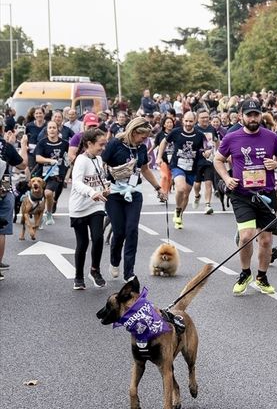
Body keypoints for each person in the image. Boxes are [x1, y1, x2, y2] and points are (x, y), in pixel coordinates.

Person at [215, 99, 277, 296]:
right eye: (249, 114)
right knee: (247, 236)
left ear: (260, 115)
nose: (253, 118)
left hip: (267, 194)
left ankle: (262, 277)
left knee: (265, 240)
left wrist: (276, 164)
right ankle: (245, 272)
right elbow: (218, 159)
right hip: (242, 195)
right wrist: (226, 177)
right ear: (241, 116)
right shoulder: (232, 137)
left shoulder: (271, 137)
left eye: (256, 114)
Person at [102, 118, 164, 282]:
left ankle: (129, 272)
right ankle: (115, 261)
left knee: (132, 230)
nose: (144, 140)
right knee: (119, 231)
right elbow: (101, 163)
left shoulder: (141, 148)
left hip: (134, 193)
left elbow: (145, 169)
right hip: (114, 193)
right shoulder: (115, 144)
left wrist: (158, 188)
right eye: (142, 137)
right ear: (133, 131)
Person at [68, 127, 110, 290]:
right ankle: (78, 276)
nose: (103, 148)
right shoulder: (81, 160)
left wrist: (106, 188)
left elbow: (101, 178)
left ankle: (95, 270)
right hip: (79, 207)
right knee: (83, 243)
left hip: (96, 205)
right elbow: (77, 183)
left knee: (98, 238)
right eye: (101, 144)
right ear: (89, 144)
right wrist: (92, 192)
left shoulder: (98, 159)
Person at [157, 111, 206, 230]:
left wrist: (207, 152)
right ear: (183, 120)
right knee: (180, 188)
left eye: (191, 121)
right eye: (186, 121)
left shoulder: (199, 135)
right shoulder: (176, 132)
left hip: (192, 168)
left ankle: (179, 215)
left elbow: (206, 147)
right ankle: (178, 209)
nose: (188, 124)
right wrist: (159, 156)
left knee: (186, 193)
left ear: (195, 121)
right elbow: (164, 142)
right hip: (177, 165)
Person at [0, 128, 28, 280]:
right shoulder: (6, 146)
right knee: (1, 230)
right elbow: (23, 165)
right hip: (3, 188)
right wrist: (23, 145)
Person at [34, 121, 71, 226]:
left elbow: (67, 159)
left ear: (57, 130)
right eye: (50, 128)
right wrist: (50, 160)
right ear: (47, 130)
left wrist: (68, 171)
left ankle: (49, 213)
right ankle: (39, 216)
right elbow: (38, 158)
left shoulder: (64, 144)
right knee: (39, 197)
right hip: (42, 174)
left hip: (56, 175)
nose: (52, 130)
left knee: (48, 193)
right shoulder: (42, 142)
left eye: (54, 128)